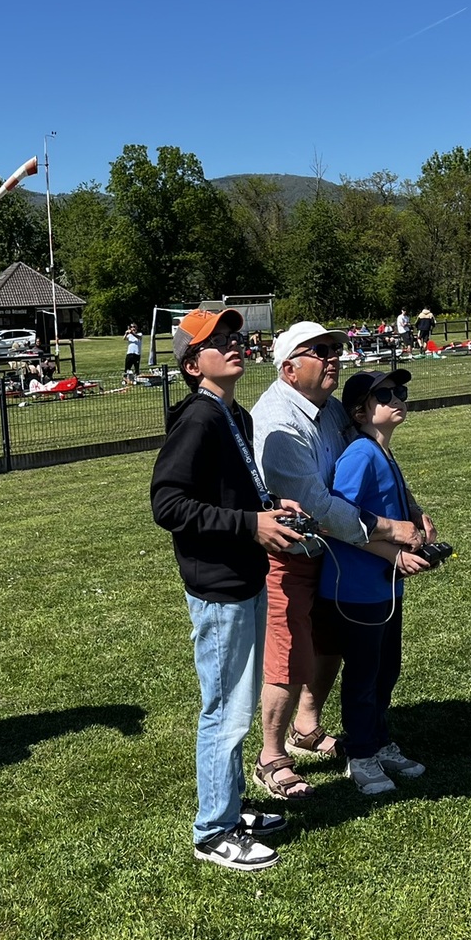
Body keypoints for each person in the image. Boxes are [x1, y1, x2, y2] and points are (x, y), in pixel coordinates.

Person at [150, 307, 305, 871]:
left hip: (243, 575)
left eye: (235, 335)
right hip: (218, 586)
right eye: (218, 341)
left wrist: (266, 509)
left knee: (235, 702)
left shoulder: (230, 414)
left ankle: (230, 807)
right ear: (194, 365)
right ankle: (213, 831)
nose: (234, 344)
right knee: (226, 710)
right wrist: (250, 525)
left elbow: (225, 492)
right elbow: (167, 504)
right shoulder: (200, 419)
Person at [250, 322, 426, 799]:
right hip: (292, 554)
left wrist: (413, 511)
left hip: (335, 554)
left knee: (330, 648)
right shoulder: (277, 423)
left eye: (336, 349)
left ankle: (307, 730)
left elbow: (380, 457)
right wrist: (392, 536)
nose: (334, 357)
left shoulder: (327, 408)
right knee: (288, 658)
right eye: (320, 352)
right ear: (288, 368)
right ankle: (271, 757)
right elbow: (318, 508)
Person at [322, 367, 431, 795]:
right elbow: (337, 521)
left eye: (400, 391)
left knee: (387, 669)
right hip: (357, 588)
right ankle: (361, 753)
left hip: (383, 587)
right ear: (360, 412)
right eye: (385, 396)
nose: (397, 399)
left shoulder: (381, 451)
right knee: (364, 675)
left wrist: (418, 518)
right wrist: (394, 554)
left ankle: (378, 740)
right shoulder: (359, 454)